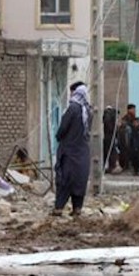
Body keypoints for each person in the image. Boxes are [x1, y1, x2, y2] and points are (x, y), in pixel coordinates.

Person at [53, 84, 92, 216]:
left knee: (65, 180)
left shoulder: (72, 108)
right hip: (83, 153)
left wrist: (58, 137)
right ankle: (77, 209)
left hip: (69, 152)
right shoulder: (88, 110)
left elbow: (62, 129)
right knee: (80, 182)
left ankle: (59, 208)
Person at [102, 106, 118, 173]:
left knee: (106, 151)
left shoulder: (107, 114)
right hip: (110, 135)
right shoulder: (111, 114)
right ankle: (111, 167)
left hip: (107, 135)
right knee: (111, 151)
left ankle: (107, 167)